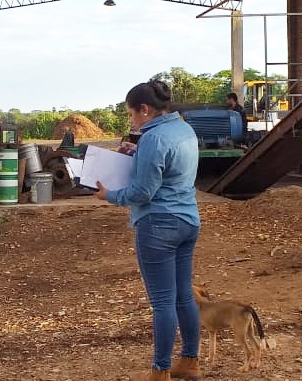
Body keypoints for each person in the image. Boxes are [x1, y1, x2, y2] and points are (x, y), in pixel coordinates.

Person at [95, 80, 202, 381]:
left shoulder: (153, 139)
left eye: (131, 114)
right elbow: (169, 167)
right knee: (183, 296)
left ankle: (160, 371)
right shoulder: (184, 129)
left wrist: (108, 195)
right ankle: (190, 361)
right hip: (188, 221)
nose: (132, 121)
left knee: (163, 302)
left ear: (145, 109)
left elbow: (142, 193)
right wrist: (137, 151)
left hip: (158, 226)